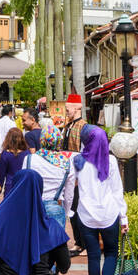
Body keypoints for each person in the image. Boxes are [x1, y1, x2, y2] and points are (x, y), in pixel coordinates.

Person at [74, 124, 127, 275]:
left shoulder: (78, 160)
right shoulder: (111, 161)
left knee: (93, 257)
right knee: (112, 253)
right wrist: (123, 217)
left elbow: (72, 186)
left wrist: (69, 211)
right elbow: (117, 191)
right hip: (109, 214)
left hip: (86, 215)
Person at [62, 94, 87, 256]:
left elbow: (85, 152)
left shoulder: (83, 127)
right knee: (72, 208)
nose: (66, 111)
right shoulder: (68, 125)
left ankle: (83, 243)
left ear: (77, 107)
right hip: (68, 172)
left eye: (68, 108)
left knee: (78, 208)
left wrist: (79, 175)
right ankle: (79, 242)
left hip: (78, 173)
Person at [0, 126, 28, 198]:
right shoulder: (27, 153)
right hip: (24, 185)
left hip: (10, 186)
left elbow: (1, 176)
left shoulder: (6, 154)